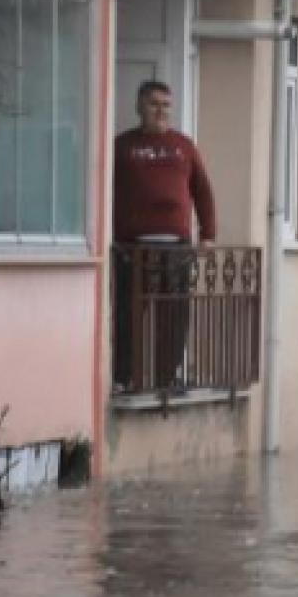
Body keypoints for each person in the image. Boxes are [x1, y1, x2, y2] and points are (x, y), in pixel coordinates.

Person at [113, 81, 217, 392]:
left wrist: (208, 235)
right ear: (139, 107)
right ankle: (123, 377)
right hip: (134, 248)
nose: (161, 111)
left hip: (176, 249)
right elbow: (104, 190)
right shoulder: (123, 146)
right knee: (129, 315)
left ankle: (166, 377)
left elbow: (203, 191)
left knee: (173, 315)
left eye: (166, 105)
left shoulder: (183, 147)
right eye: (154, 104)